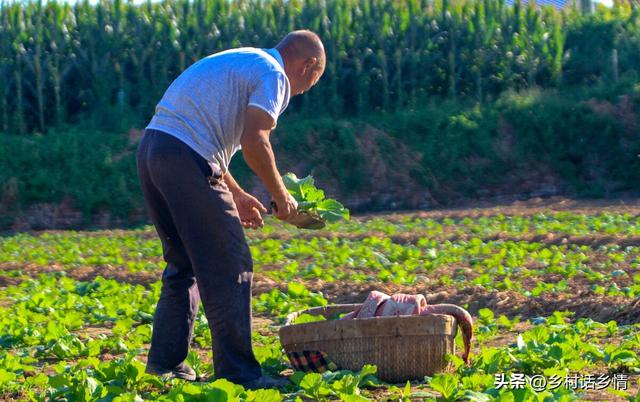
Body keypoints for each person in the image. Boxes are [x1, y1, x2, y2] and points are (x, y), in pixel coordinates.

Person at [135, 30, 325, 389]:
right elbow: (255, 139)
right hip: (183, 158)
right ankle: (239, 373)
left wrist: (235, 194)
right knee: (232, 265)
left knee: (184, 264)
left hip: (153, 151)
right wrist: (281, 195)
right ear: (308, 65)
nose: (307, 88)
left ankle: (165, 364)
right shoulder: (274, 74)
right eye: (314, 80)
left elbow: (210, 143)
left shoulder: (245, 59)